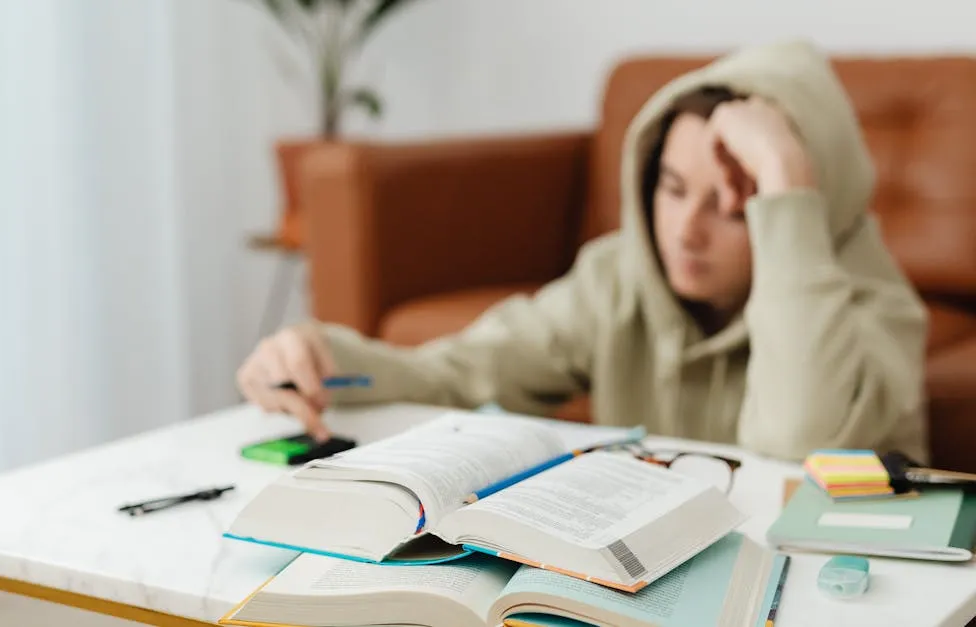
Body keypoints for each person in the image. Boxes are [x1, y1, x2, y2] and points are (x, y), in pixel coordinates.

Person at [235, 39, 929, 463]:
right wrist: (322, 355)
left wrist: (781, 171)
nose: (685, 230)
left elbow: (798, 450)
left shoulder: (878, 312)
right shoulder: (621, 277)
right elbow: (460, 371)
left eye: (734, 205)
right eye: (672, 187)